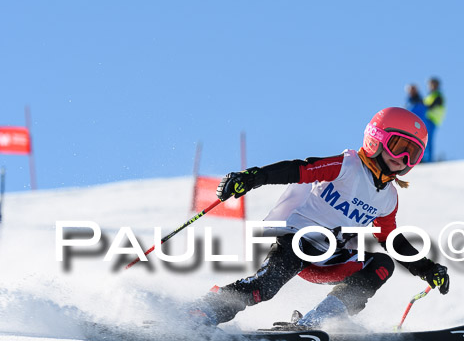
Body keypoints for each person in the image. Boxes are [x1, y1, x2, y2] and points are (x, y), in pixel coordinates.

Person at [189, 107, 450, 328]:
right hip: (298, 243)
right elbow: (299, 169)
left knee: (381, 264)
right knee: (264, 288)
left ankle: (319, 321)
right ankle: (204, 310)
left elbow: (390, 238)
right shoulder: (347, 166)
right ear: (375, 139)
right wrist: (253, 177)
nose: (403, 158)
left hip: (331, 259)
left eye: (412, 153)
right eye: (398, 147)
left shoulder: (389, 197)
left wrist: (427, 269)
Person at [423, 77, 447, 163]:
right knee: (424, 139)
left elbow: (432, 105)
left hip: (432, 120)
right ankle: (424, 158)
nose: (430, 86)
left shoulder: (438, 95)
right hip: (427, 120)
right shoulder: (430, 95)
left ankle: (428, 159)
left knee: (428, 140)